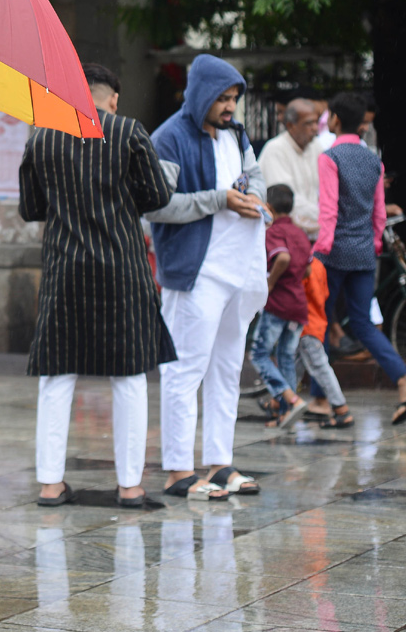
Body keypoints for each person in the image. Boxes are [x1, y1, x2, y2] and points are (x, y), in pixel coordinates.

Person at [19, 63, 173, 508]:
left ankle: (50, 484)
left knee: (57, 375)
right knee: (128, 376)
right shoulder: (128, 131)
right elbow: (158, 196)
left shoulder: (41, 137)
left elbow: (31, 208)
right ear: (113, 98)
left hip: (64, 270)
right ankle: (130, 487)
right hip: (122, 268)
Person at [147, 53, 267, 502]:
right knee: (184, 370)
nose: (230, 106)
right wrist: (220, 200)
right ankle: (178, 470)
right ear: (200, 95)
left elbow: (255, 177)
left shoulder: (237, 133)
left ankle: (221, 463)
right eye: (223, 98)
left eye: (234, 97)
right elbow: (158, 205)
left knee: (227, 370)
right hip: (195, 273)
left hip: (240, 271)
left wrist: (253, 197)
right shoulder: (170, 138)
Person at [313, 92, 406, 421]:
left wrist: (319, 252)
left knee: (320, 324)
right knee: (364, 325)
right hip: (365, 251)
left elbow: (329, 212)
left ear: (335, 119)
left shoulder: (330, 158)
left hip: (334, 253)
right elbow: (379, 214)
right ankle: (403, 379)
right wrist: (375, 246)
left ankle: (323, 399)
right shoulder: (373, 161)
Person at [249, 184, 312, 428]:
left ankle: (290, 399)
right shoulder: (300, 233)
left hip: (278, 304)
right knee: (286, 355)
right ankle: (286, 412)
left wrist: (271, 284)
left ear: (270, 208)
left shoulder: (274, 231)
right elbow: (306, 267)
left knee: (259, 354)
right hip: (298, 305)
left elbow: (282, 257)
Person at [297, 257, 352, 428]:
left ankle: (341, 409)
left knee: (320, 367)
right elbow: (325, 294)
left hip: (306, 326)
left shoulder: (303, 265)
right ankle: (280, 403)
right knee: (294, 365)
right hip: (316, 323)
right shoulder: (319, 265)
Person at [258, 97, 322, 238]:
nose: (315, 128)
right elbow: (285, 202)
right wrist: (325, 217)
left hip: (313, 234)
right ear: (290, 125)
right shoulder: (275, 150)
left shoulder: (316, 146)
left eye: (316, 122)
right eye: (308, 123)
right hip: (283, 239)